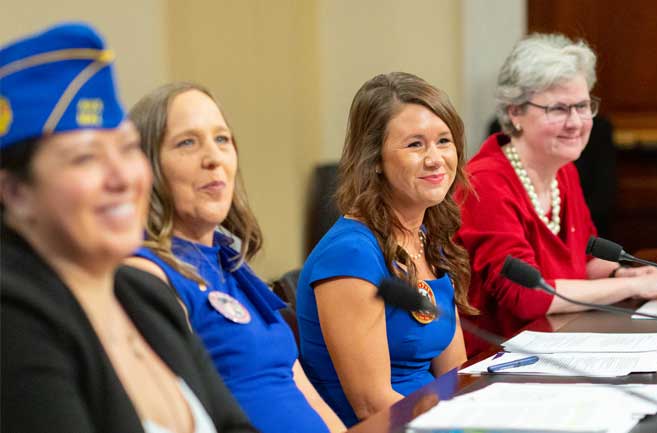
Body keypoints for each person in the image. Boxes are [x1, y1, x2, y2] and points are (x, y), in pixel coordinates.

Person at [0, 23, 257, 433]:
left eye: (126, 149)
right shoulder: (13, 319)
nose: (123, 179)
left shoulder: (144, 294)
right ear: (15, 192)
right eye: (85, 158)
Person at [455, 33, 657, 356]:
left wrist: (625, 271)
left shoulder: (562, 168)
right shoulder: (485, 182)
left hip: (558, 342)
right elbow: (526, 295)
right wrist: (633, 286)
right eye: (558, 109)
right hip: (497, 361)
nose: (575, 122)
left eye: (583, 106)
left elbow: (581, 260)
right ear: (515, 112)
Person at [125, 82, 345, 433]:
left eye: (222, 139)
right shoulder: (146, 275)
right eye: (187, 142)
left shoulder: (232, 267)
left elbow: (305, 395)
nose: (213, 158)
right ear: (146, 168)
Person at [296, 72, 477, 427]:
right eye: (415, 145)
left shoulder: (428, 238)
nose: (436, 158)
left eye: (444, 141)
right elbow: (373, 405)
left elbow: (454, 373)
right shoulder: (350, 254)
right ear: (374, 158)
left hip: (438, 418)